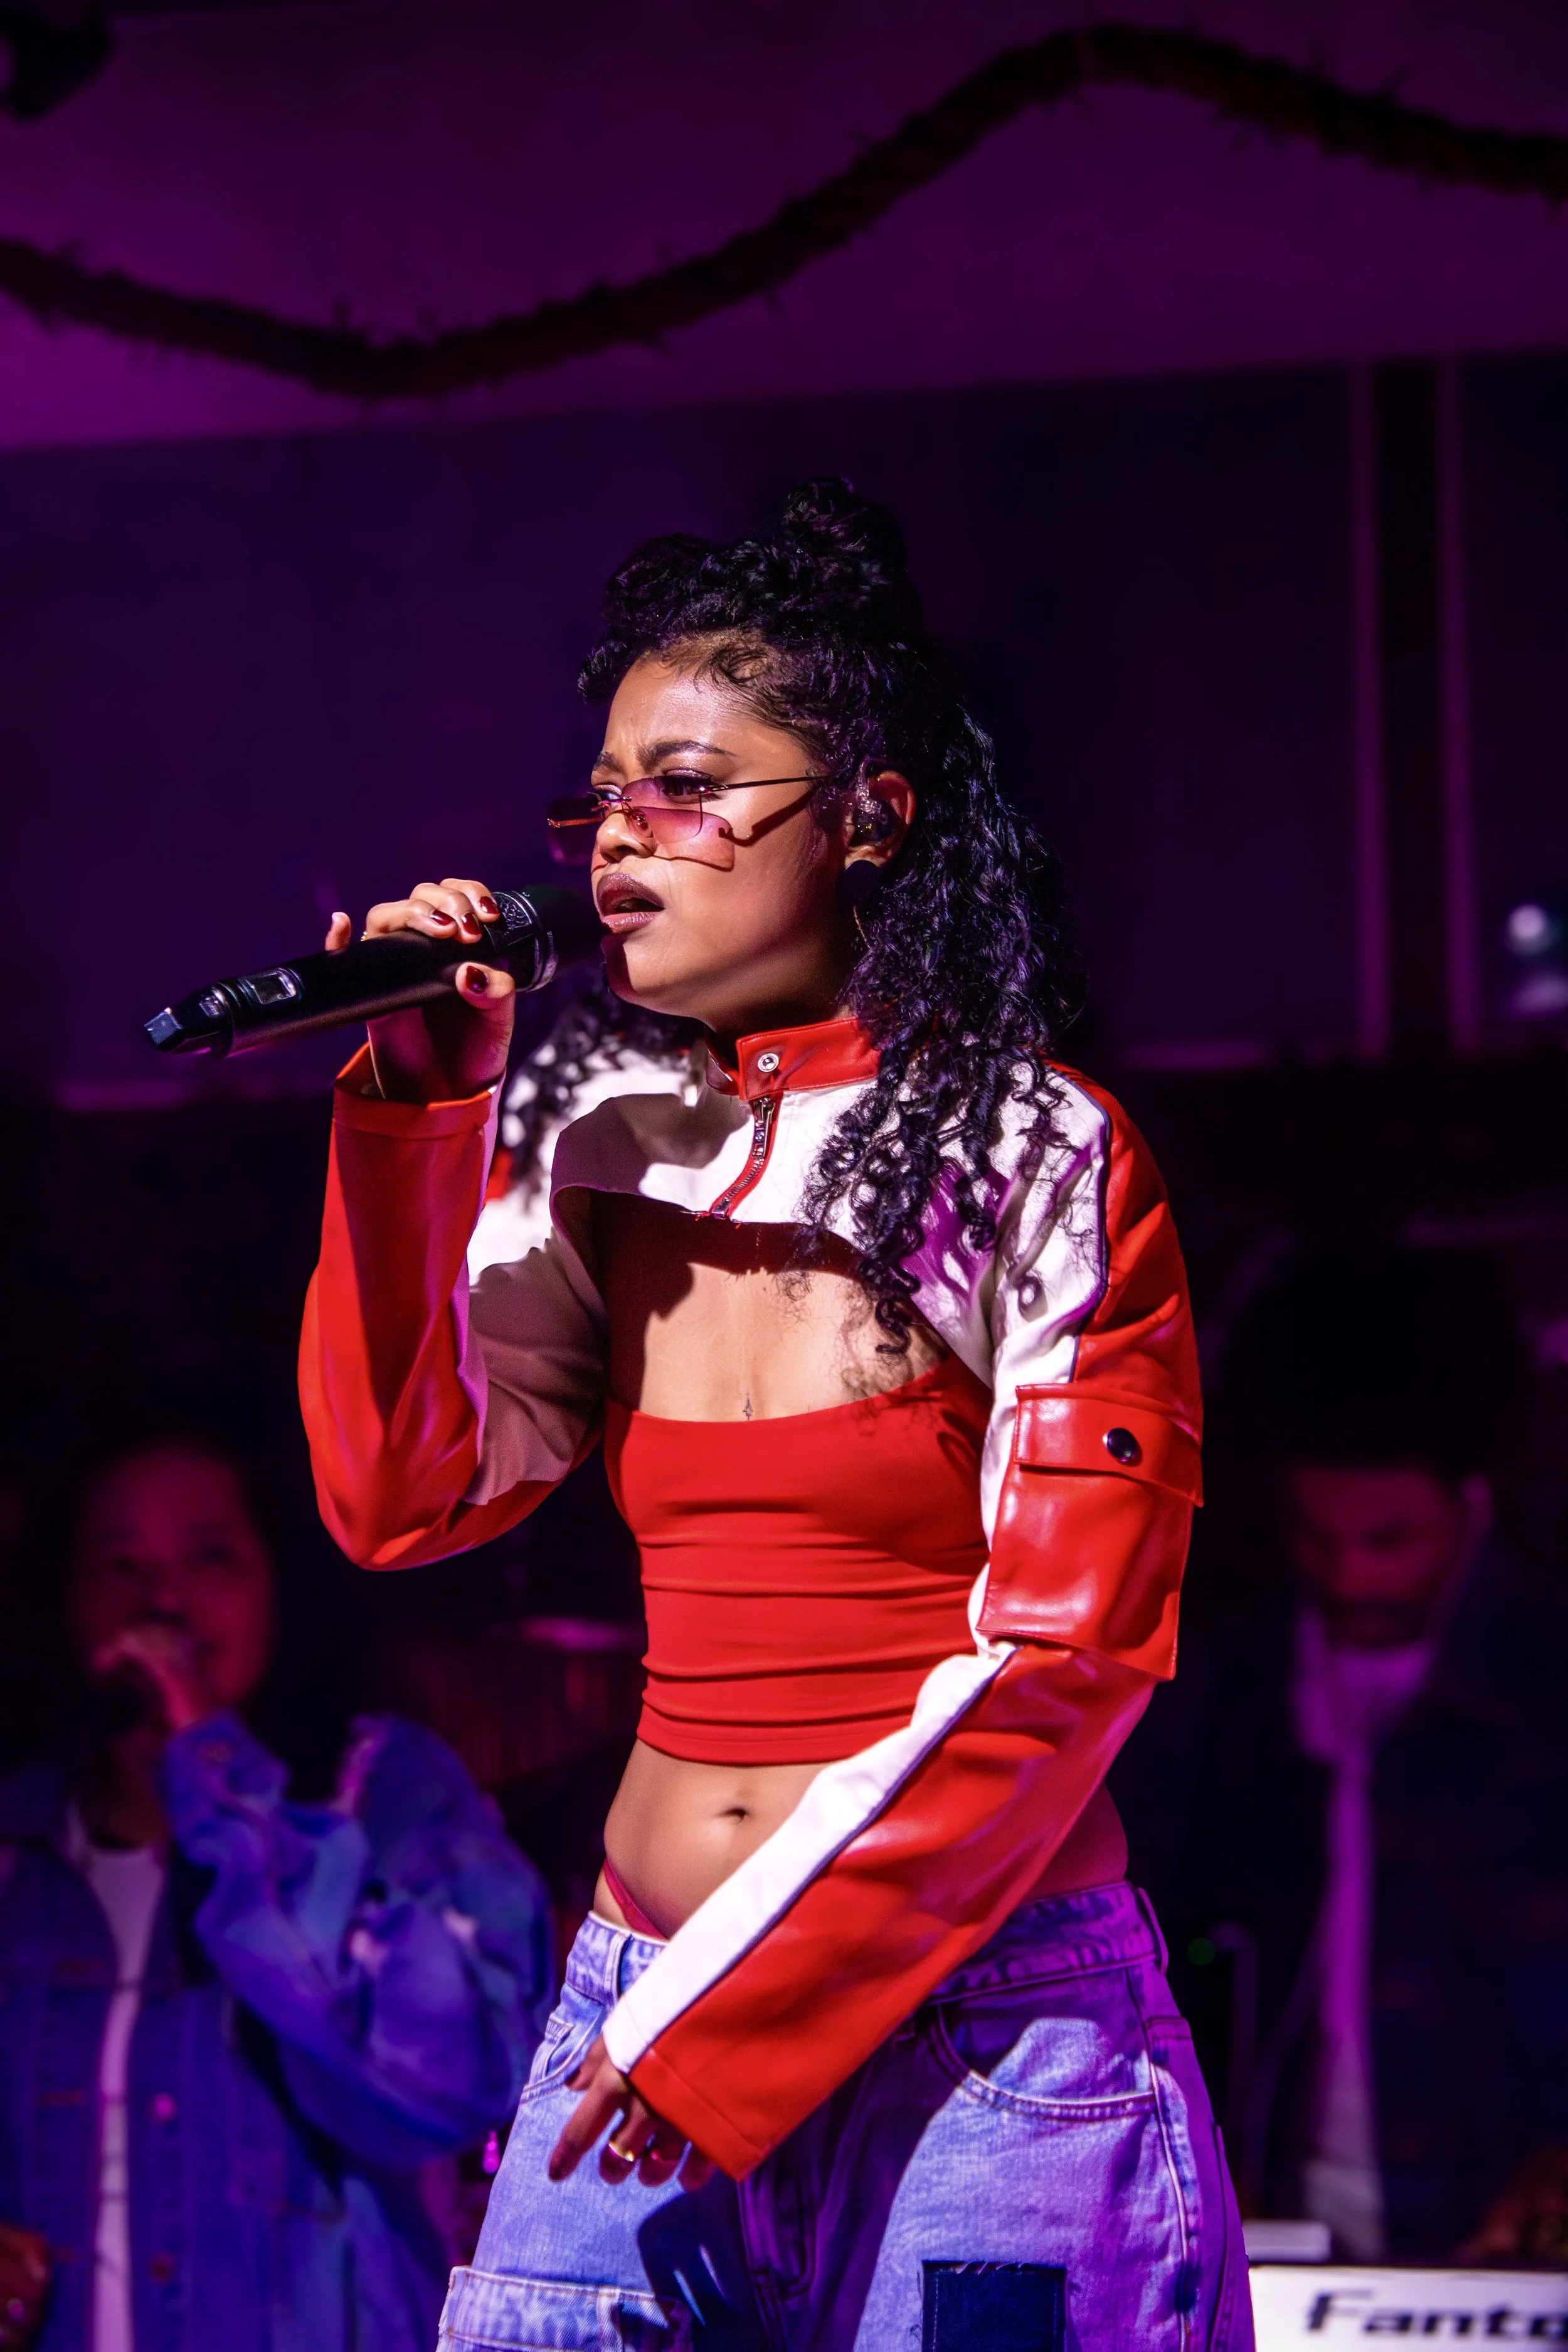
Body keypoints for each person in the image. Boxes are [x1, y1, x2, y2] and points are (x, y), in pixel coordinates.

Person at [300, 480, 1250, 2348]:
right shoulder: (591, 1138)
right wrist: (412, 1112)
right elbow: (398, 1497)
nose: (615, 843)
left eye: (684, 788)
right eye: (601, 799)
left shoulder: (1038, 1149)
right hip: (634, 2008)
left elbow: (1070, 1658)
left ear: (872, 815)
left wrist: (746, 2019)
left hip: (983, 2031)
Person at [0, 1432, 555, 2352]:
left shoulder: (384, 1791)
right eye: (119, 1562)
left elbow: (470, 2071)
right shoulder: (20, 1850)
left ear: (281, 1583)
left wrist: (218, 1777)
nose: (162, 1598)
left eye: (209, 1554)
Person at [1113, 1249, 1568, 2265]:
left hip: (1496, 2234)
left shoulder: (1548, 1689)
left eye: (1389, 1538)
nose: (1350, 1574)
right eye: (1319, 1539)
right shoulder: (1227, 1691)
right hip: (1277, 2225)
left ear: (1476, 1500)